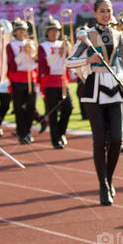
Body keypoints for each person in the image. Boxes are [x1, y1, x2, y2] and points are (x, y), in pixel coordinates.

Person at [66, 0, 123, 205]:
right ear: (95, 13)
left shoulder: (118, 35)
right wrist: (87, 60)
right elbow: (69, 62)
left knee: (116, 139)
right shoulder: (86, 35)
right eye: (102, 11)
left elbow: (121, 65)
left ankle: (109, 179)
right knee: (100, 138)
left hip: (114, 89)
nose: (105, 14)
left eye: (108, 11)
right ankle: (103, 186)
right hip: (93, 91)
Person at [38, 17, 74, 149]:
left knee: (68, 108)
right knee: (52, 112)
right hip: (50, 80)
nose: (55, 33)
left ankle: (61, 133)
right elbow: (43, 63)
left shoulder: (62, 44)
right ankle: (55, 139)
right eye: (52, 30)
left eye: (57, 31)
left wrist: (68, 50)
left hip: (63, 79)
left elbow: (70, 60)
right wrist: (58, 54)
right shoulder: (42, 46)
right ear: (47, 32)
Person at [6, 19, 38, 143]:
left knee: (31, 106)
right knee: (18, 107)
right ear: (15, 32)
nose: (21, 32)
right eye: (19, 30)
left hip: (30, 78)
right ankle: (21, 132)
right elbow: (12, 64)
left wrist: (32, 52)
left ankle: (28, 130)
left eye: (23, 30)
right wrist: (22, 53)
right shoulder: (10, 45)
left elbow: (36, 61)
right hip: (17, 78)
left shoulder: (31, 43)